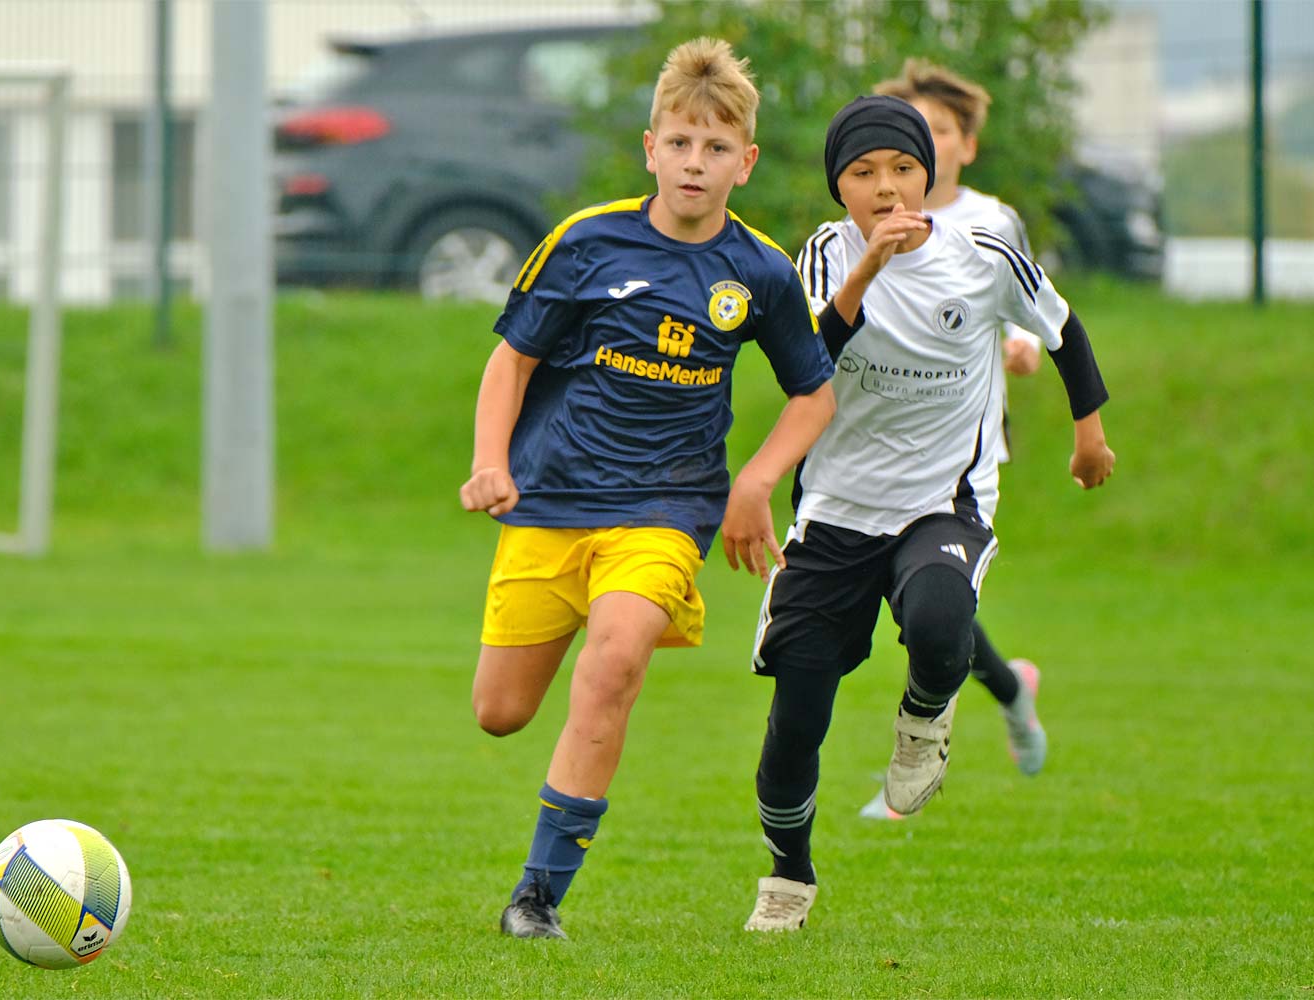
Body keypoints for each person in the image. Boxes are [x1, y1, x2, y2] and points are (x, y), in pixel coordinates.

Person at [460, 37, 836, 940]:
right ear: (650, 148)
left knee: (616, 662)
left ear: (745, 161)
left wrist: (755, 480)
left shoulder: (759, 271)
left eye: (716, 148)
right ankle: (576, 637)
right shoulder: (586, 242)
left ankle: (536, 898)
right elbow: (512, 361)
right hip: (552, 503)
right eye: (680, 143)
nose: (695, 163)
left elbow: (814, 392)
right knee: (500, 713)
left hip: (667, 511)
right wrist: (490, 462)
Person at [743, 95, 1114, 932]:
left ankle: (923, 721)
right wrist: (868, 269)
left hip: (942, 500)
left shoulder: (982, 253)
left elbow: (1064, 331)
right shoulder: (825, 253)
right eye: (864, 172)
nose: (886, 186)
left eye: (903, 168)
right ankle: (788, 875)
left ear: (929, 174)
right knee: (797, 718)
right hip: (836, 510)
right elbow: (806, 362)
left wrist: (1089, 435)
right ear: (839, 186)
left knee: (944, 620)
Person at [841, 60, 1050, 810]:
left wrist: (1021, 350)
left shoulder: (993, 221)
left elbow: (1029, 310)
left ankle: (913, 761)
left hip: (966, 438)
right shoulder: (867, 215)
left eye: (939, 130)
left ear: (965, 144)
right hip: (877, 440)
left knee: (933, 593)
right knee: (930, 598)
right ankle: (1008, 689)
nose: (922, 144)